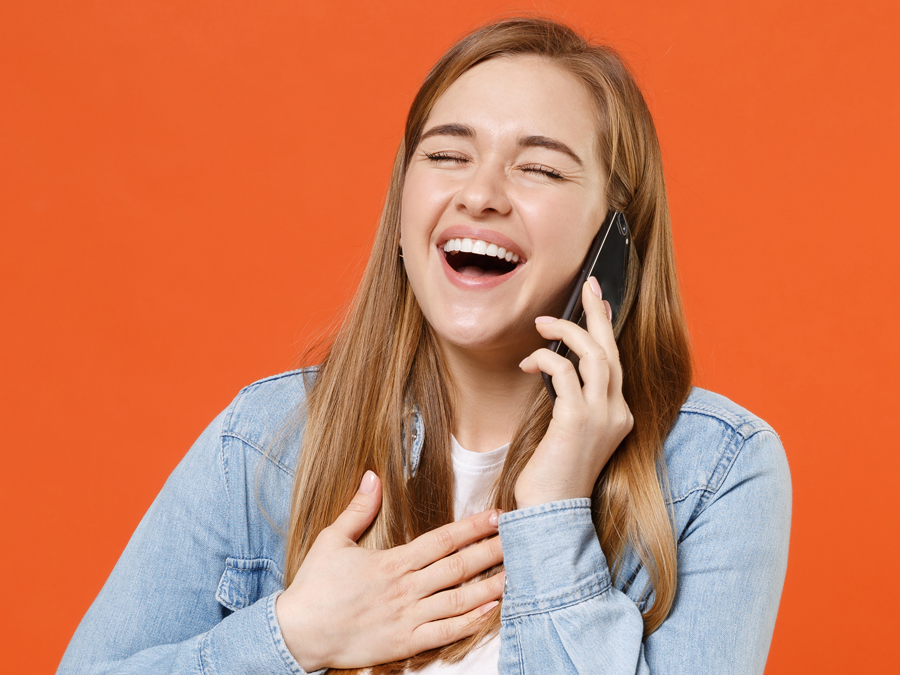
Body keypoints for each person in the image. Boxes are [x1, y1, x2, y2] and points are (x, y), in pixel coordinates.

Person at [57, 16, 791, 675]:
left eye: (537, 167)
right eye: (446, 155)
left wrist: (553, 510)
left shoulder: (715, 472)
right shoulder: (264, 441)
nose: (480, 193)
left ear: (615, 238)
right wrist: (291, 637)